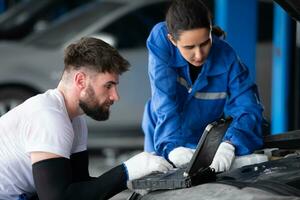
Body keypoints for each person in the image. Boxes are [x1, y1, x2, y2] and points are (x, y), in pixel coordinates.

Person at [0, 37, 173, 200]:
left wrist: (129, 181)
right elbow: (57, 198)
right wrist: (126, 171)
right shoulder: (48, 116)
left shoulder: (75, 119)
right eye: (108, 86)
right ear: (81, 81)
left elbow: (79, 186)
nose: (115, 96)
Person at [142, 0, 264, 172]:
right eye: (189, 47)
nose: (199, 55)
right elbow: (165, 100)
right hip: (162, 131)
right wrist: (172, 147)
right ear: (172, 40)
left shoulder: (227, 57)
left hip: (206, 139)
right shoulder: (161, 43)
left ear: (210, 30)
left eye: (205, 43)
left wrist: (230, 143)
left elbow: (248, 107)